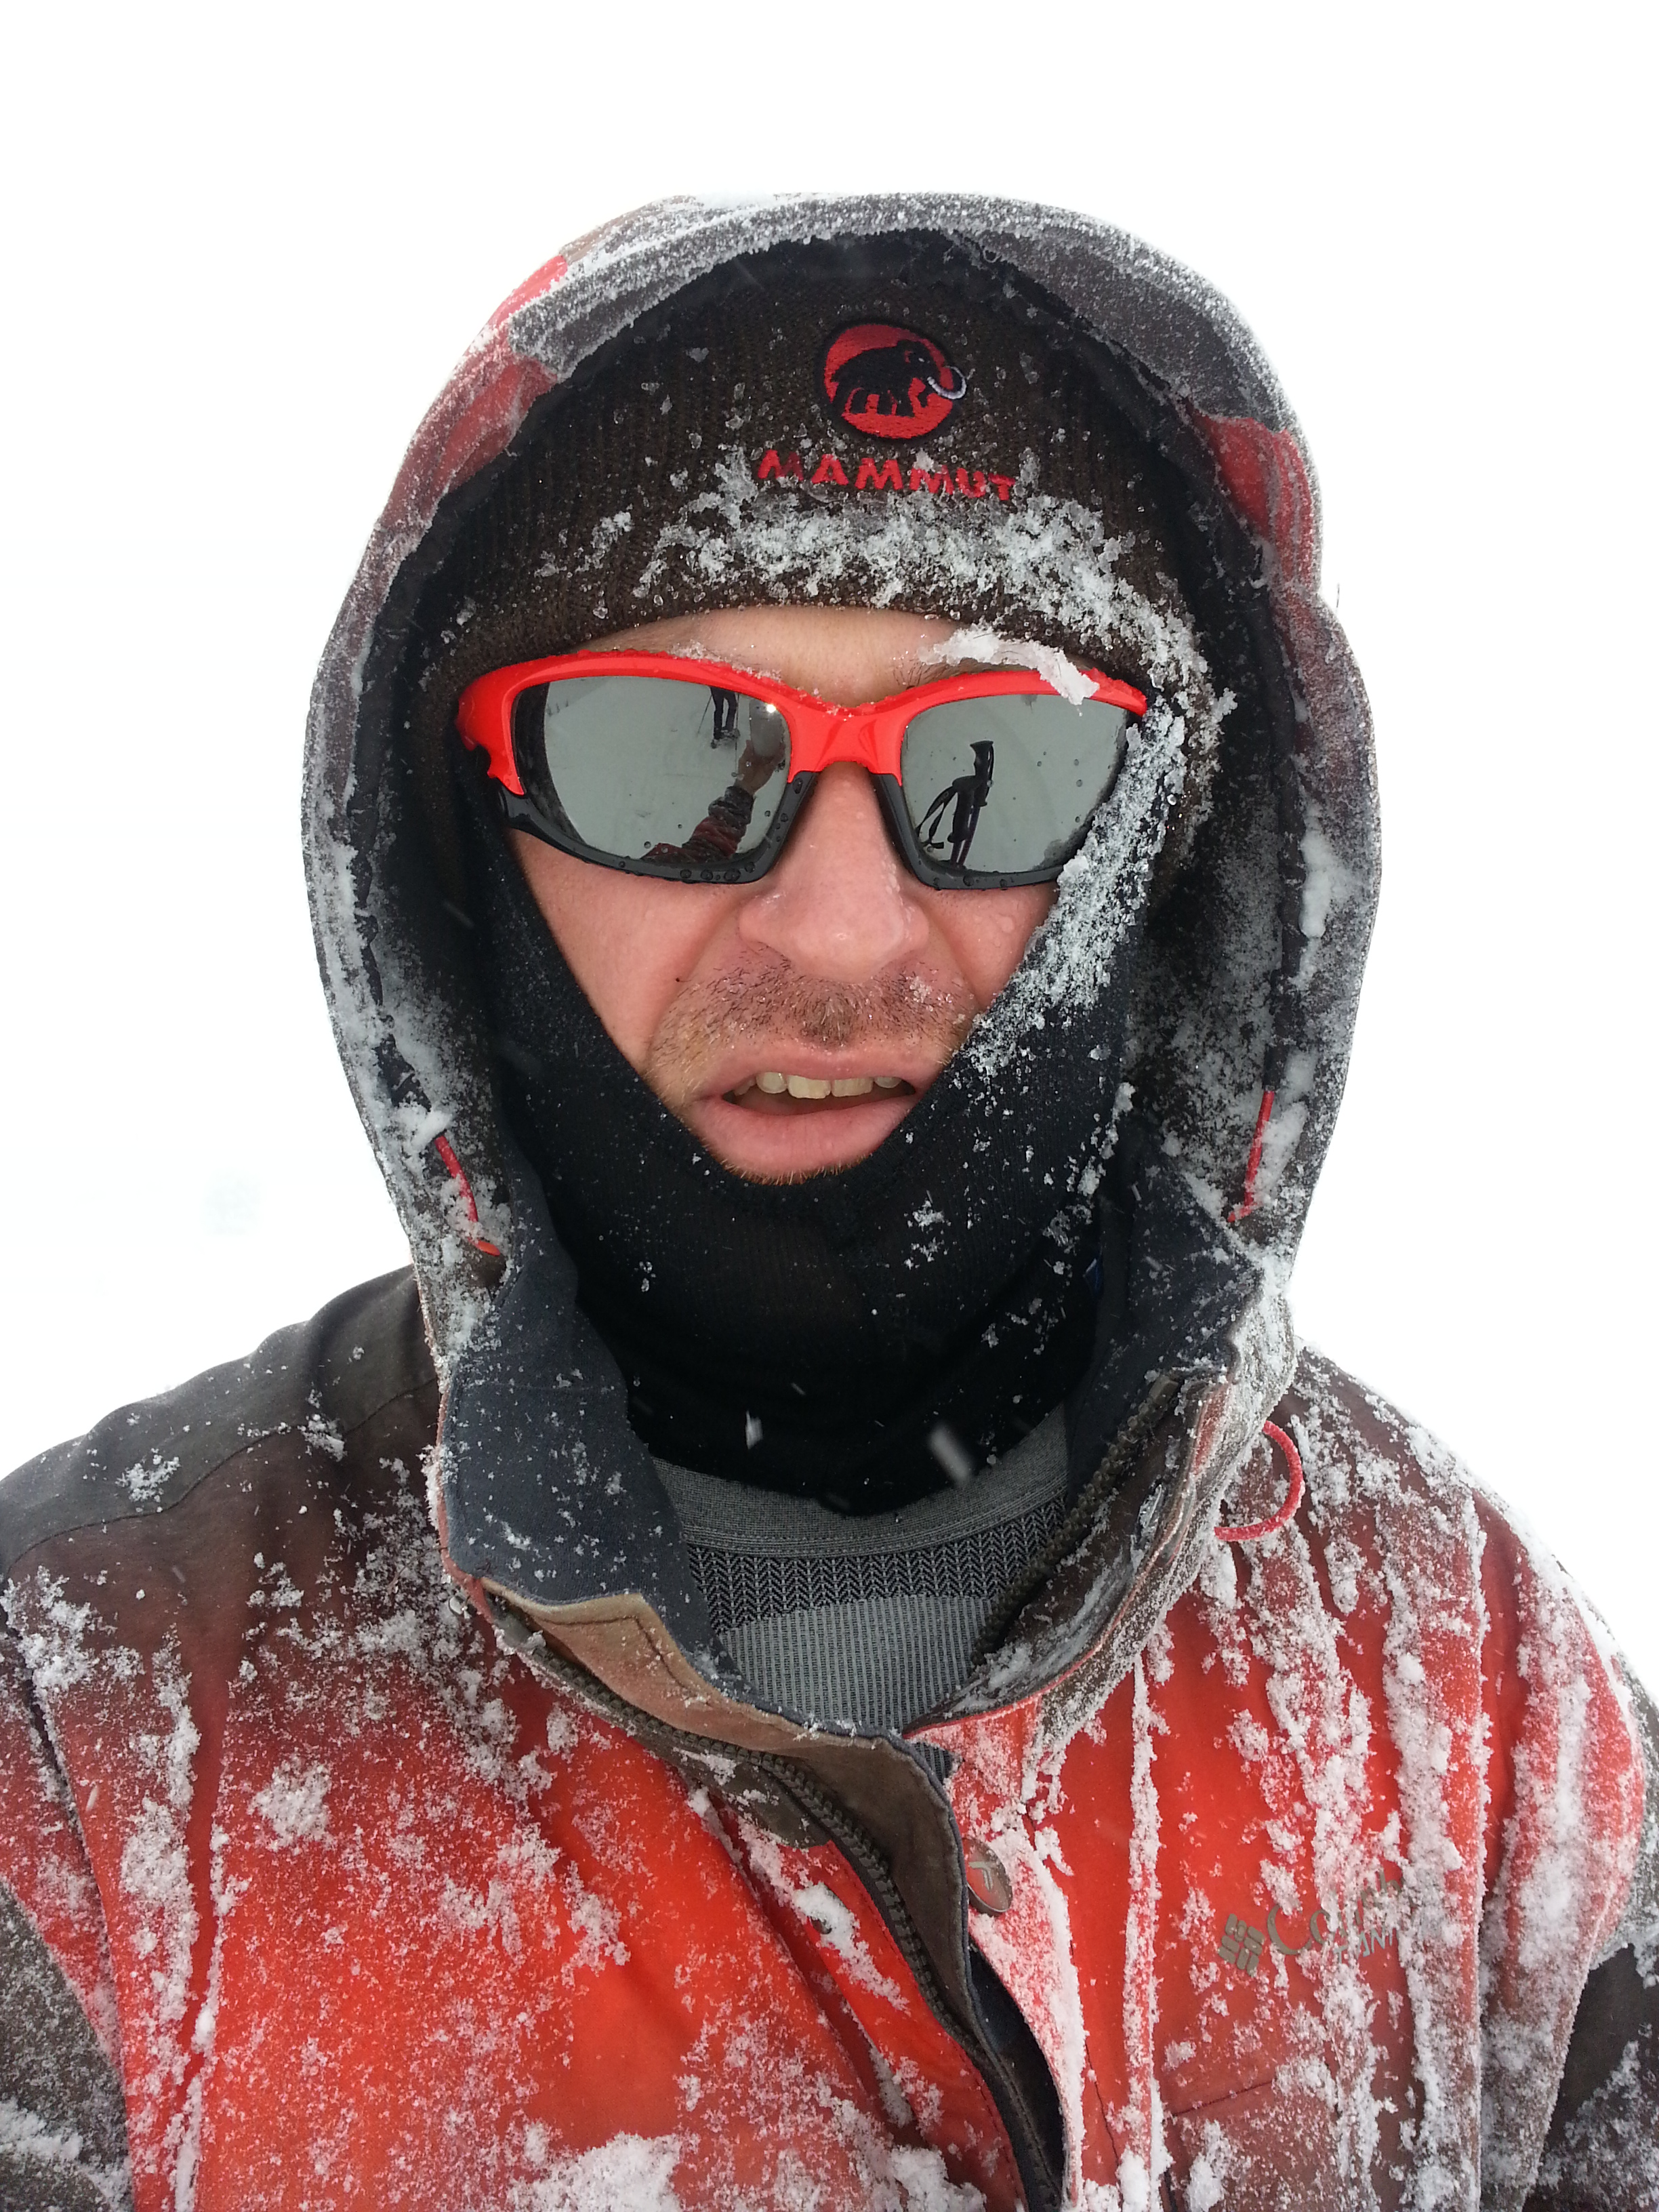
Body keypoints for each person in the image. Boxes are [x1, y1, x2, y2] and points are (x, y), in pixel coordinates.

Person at [1, 197, 1653, 2212]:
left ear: (1162, 837)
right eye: (670, 752)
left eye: (996, 762)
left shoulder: (1466, 1692)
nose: (847, 923)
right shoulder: (85, 1729)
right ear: (445, 826)